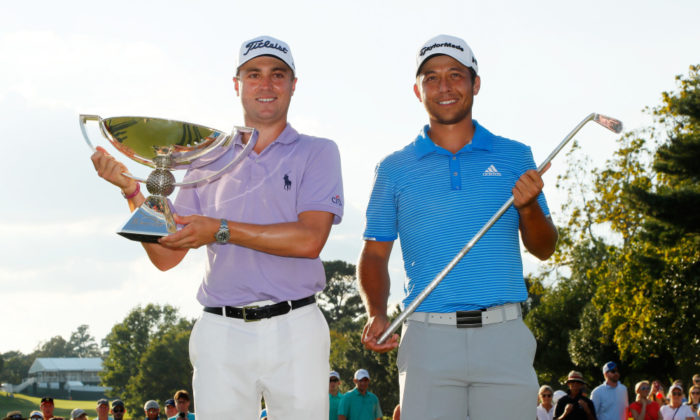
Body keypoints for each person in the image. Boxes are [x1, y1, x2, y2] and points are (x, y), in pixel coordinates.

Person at [90, 35, 344, 420]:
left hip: (297, 327)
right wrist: (133, 193)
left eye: (278, 75)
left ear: (294, 85)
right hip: (221, 330)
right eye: (253, 74)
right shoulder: (205, 157)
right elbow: (166, 256)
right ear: (236, 84)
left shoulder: (318, 151)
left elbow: (310, 240)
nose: (266, 84)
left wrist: (221, 229)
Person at [358, 34, 558, 420]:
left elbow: (544, 248)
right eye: (431, 77)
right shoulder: (393, 168)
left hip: (504, 335)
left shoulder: (515, 155)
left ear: (475, 83)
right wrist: (376, 311)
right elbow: (375, 252)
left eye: (455, 75)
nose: (444, 87)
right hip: (428, 339)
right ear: (417, 91)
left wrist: (530, 207)